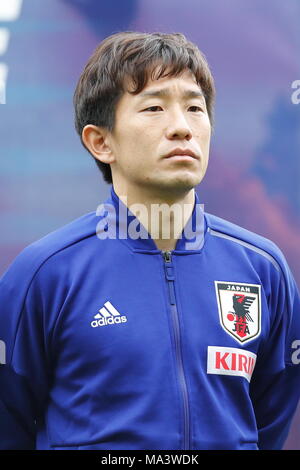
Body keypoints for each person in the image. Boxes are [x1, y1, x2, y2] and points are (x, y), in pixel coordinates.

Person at [0, 31, 299, 451]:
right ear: (101, 142)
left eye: (195, 108)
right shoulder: (45, 273)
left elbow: (269, 418)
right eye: (155, 107)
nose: (182, 128)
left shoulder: (263, 268)